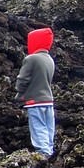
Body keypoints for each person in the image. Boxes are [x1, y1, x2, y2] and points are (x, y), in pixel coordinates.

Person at [15, 27, 56, 158]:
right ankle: (49, 149)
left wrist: (19, 94)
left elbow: (22, 79)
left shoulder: (31, 59)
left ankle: (43, 153)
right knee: (49, 126)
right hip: (48, 100)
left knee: (38, 126)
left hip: (34, 100)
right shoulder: (50, 60)